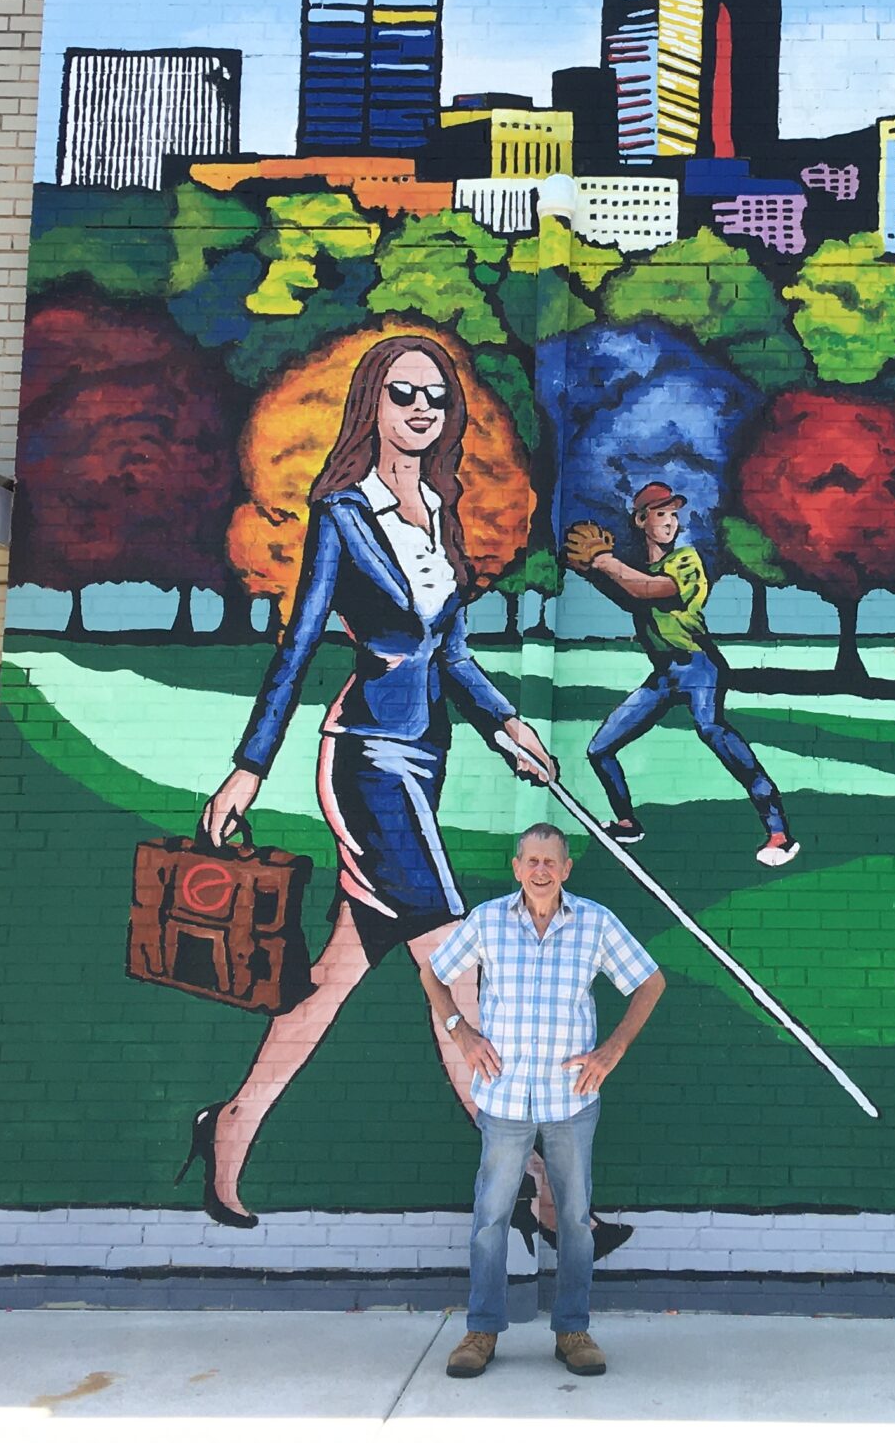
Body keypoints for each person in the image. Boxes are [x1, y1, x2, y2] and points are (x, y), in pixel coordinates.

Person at [178, 334, 561, 1227]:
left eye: (435, 396)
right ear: (372, 407)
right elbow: (298, 646)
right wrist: (248, 767)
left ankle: (229, 1125)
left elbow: (450, 654)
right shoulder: (343, 517)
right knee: (459, 977)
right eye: (402, 394)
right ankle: (538, 1193)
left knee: (331, 977)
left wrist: (508, 725)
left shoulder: (441, 510)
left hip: (425, 759)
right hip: (367, 763)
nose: (421, 409)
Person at [424, 823, 665, 1381]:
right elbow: (432, 974)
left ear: (566, 868)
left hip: (570, 1099)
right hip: (504, 1097)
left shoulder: (595, 923)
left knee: (575, 1220)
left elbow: (649, 983)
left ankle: (572, 1330)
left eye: (550, 861)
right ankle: (482, 1329)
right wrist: (461, 1032)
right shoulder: (487, 921)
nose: (540, 870)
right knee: (491, 1217)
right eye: (531, 860)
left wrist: (612, 1050)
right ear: (517, 867)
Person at [562, 482, 798, 867]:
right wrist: (590, 570)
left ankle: (779, 832)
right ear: (641, 521)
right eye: (661, 514)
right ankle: (626, 823)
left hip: (698, 665)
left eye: (674, 514)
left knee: (712, 730)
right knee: (599, 749)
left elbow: (652, 590)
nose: (671, 522)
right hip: (665, 675)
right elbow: (629, 592)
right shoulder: (637, 570)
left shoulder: (686, 561)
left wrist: (603, 562)